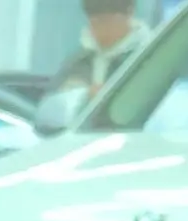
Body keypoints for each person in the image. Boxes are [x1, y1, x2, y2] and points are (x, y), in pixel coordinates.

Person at [35, 0, 156, 128]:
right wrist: (82, 97)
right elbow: (46, 111)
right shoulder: (77, 62)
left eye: (106, 21)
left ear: (129, 14)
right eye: (94, 21)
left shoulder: (146, 60)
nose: (100, 29)